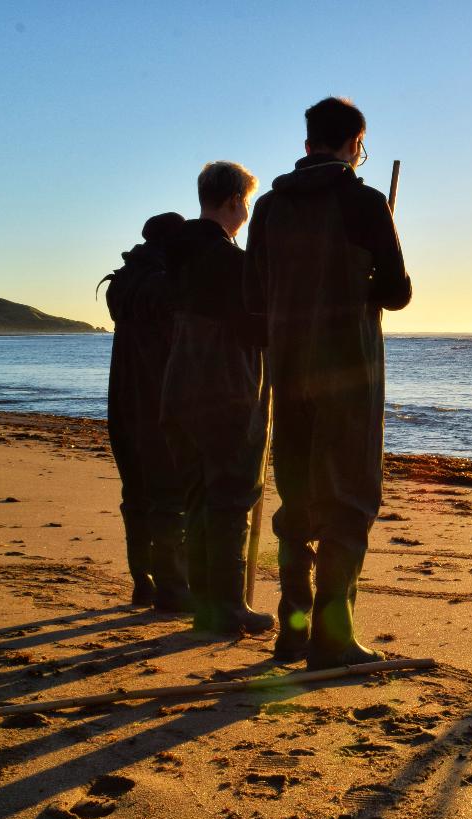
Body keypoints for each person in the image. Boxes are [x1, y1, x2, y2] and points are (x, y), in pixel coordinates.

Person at [244, 96, 412, 669]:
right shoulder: (363, 201)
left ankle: (293, 630)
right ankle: (331, 637)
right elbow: (397, 292)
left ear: (309, 139)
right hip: (348, 372)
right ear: (354, 143)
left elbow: (254, 293)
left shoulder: (267, 208)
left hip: (288, 370)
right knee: (348, 501)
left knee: (297, 500)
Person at [162, 162, 274, 636]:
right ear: (232, 201)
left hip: (179, 389)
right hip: (224, 390)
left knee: (199, 498)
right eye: (245, 201)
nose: (246, 210)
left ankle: (208, 602)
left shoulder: (174, 256)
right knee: (230, 499)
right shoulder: (229, 261)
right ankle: (225, 606)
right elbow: (259, 327)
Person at [103, 211, 194, 610]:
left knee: (136, 493)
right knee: (168, 496)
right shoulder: (166, 284)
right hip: (159, 399)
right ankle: (173, 587)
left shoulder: (121, 284)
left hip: (124, 400)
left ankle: (143, 580)